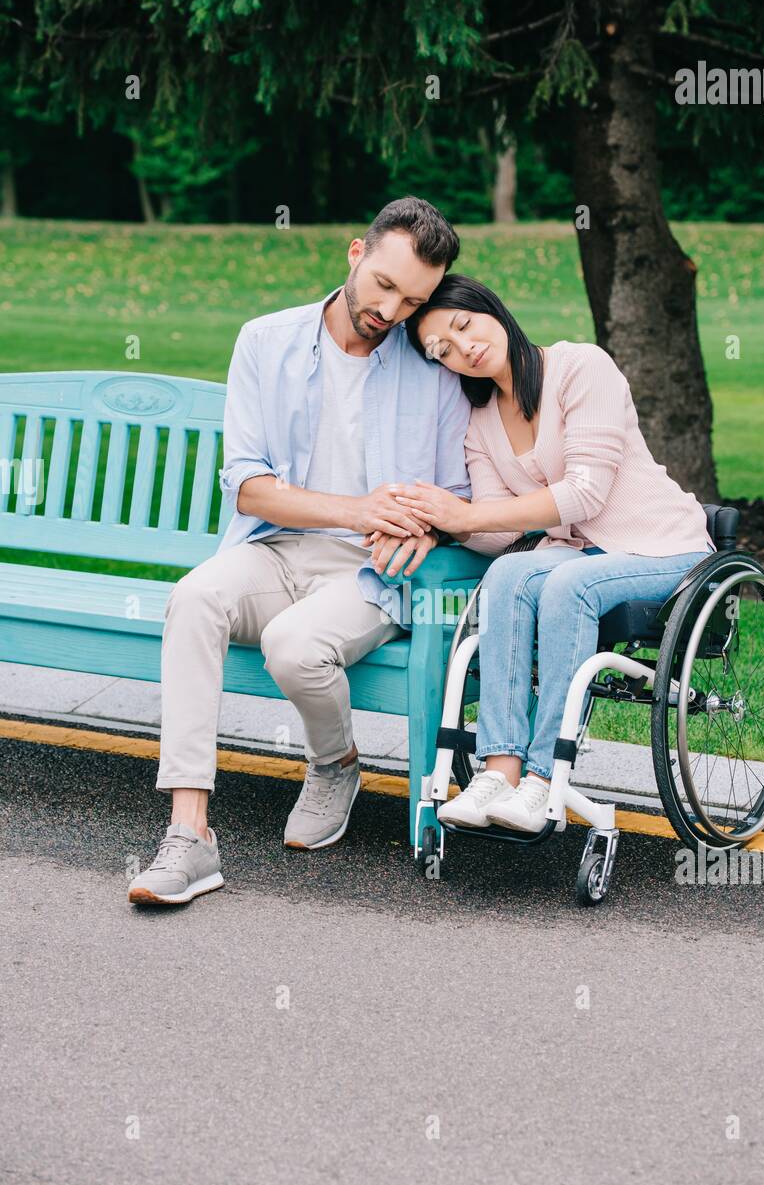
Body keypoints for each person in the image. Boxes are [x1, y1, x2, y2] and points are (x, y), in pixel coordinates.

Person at [128, 198, 471, 905]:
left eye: (413, 300)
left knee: (293, 645)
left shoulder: (433, 365)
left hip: (370, 572)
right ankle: (189, 837)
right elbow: (250, 490)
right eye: (382, 284)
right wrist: (357, 506)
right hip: (271, 548)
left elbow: (458, 494)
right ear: (355, 252)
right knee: (192, 598)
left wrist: (426, 529)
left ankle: (336, 762)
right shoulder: (265, 340)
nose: (391, 310)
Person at [384, 274, 714, 835]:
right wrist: (436, 525)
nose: (463, 349)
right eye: (443, 350)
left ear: (491, 307)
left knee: (566, 585)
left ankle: (544, 781)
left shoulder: (582, 368)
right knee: (510, 571)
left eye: (464, 326)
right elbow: (491, 530)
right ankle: (500, 773)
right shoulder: (482, 422)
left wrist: (466, 516)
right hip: (582, 556)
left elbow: (585, 491)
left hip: (667, 548)